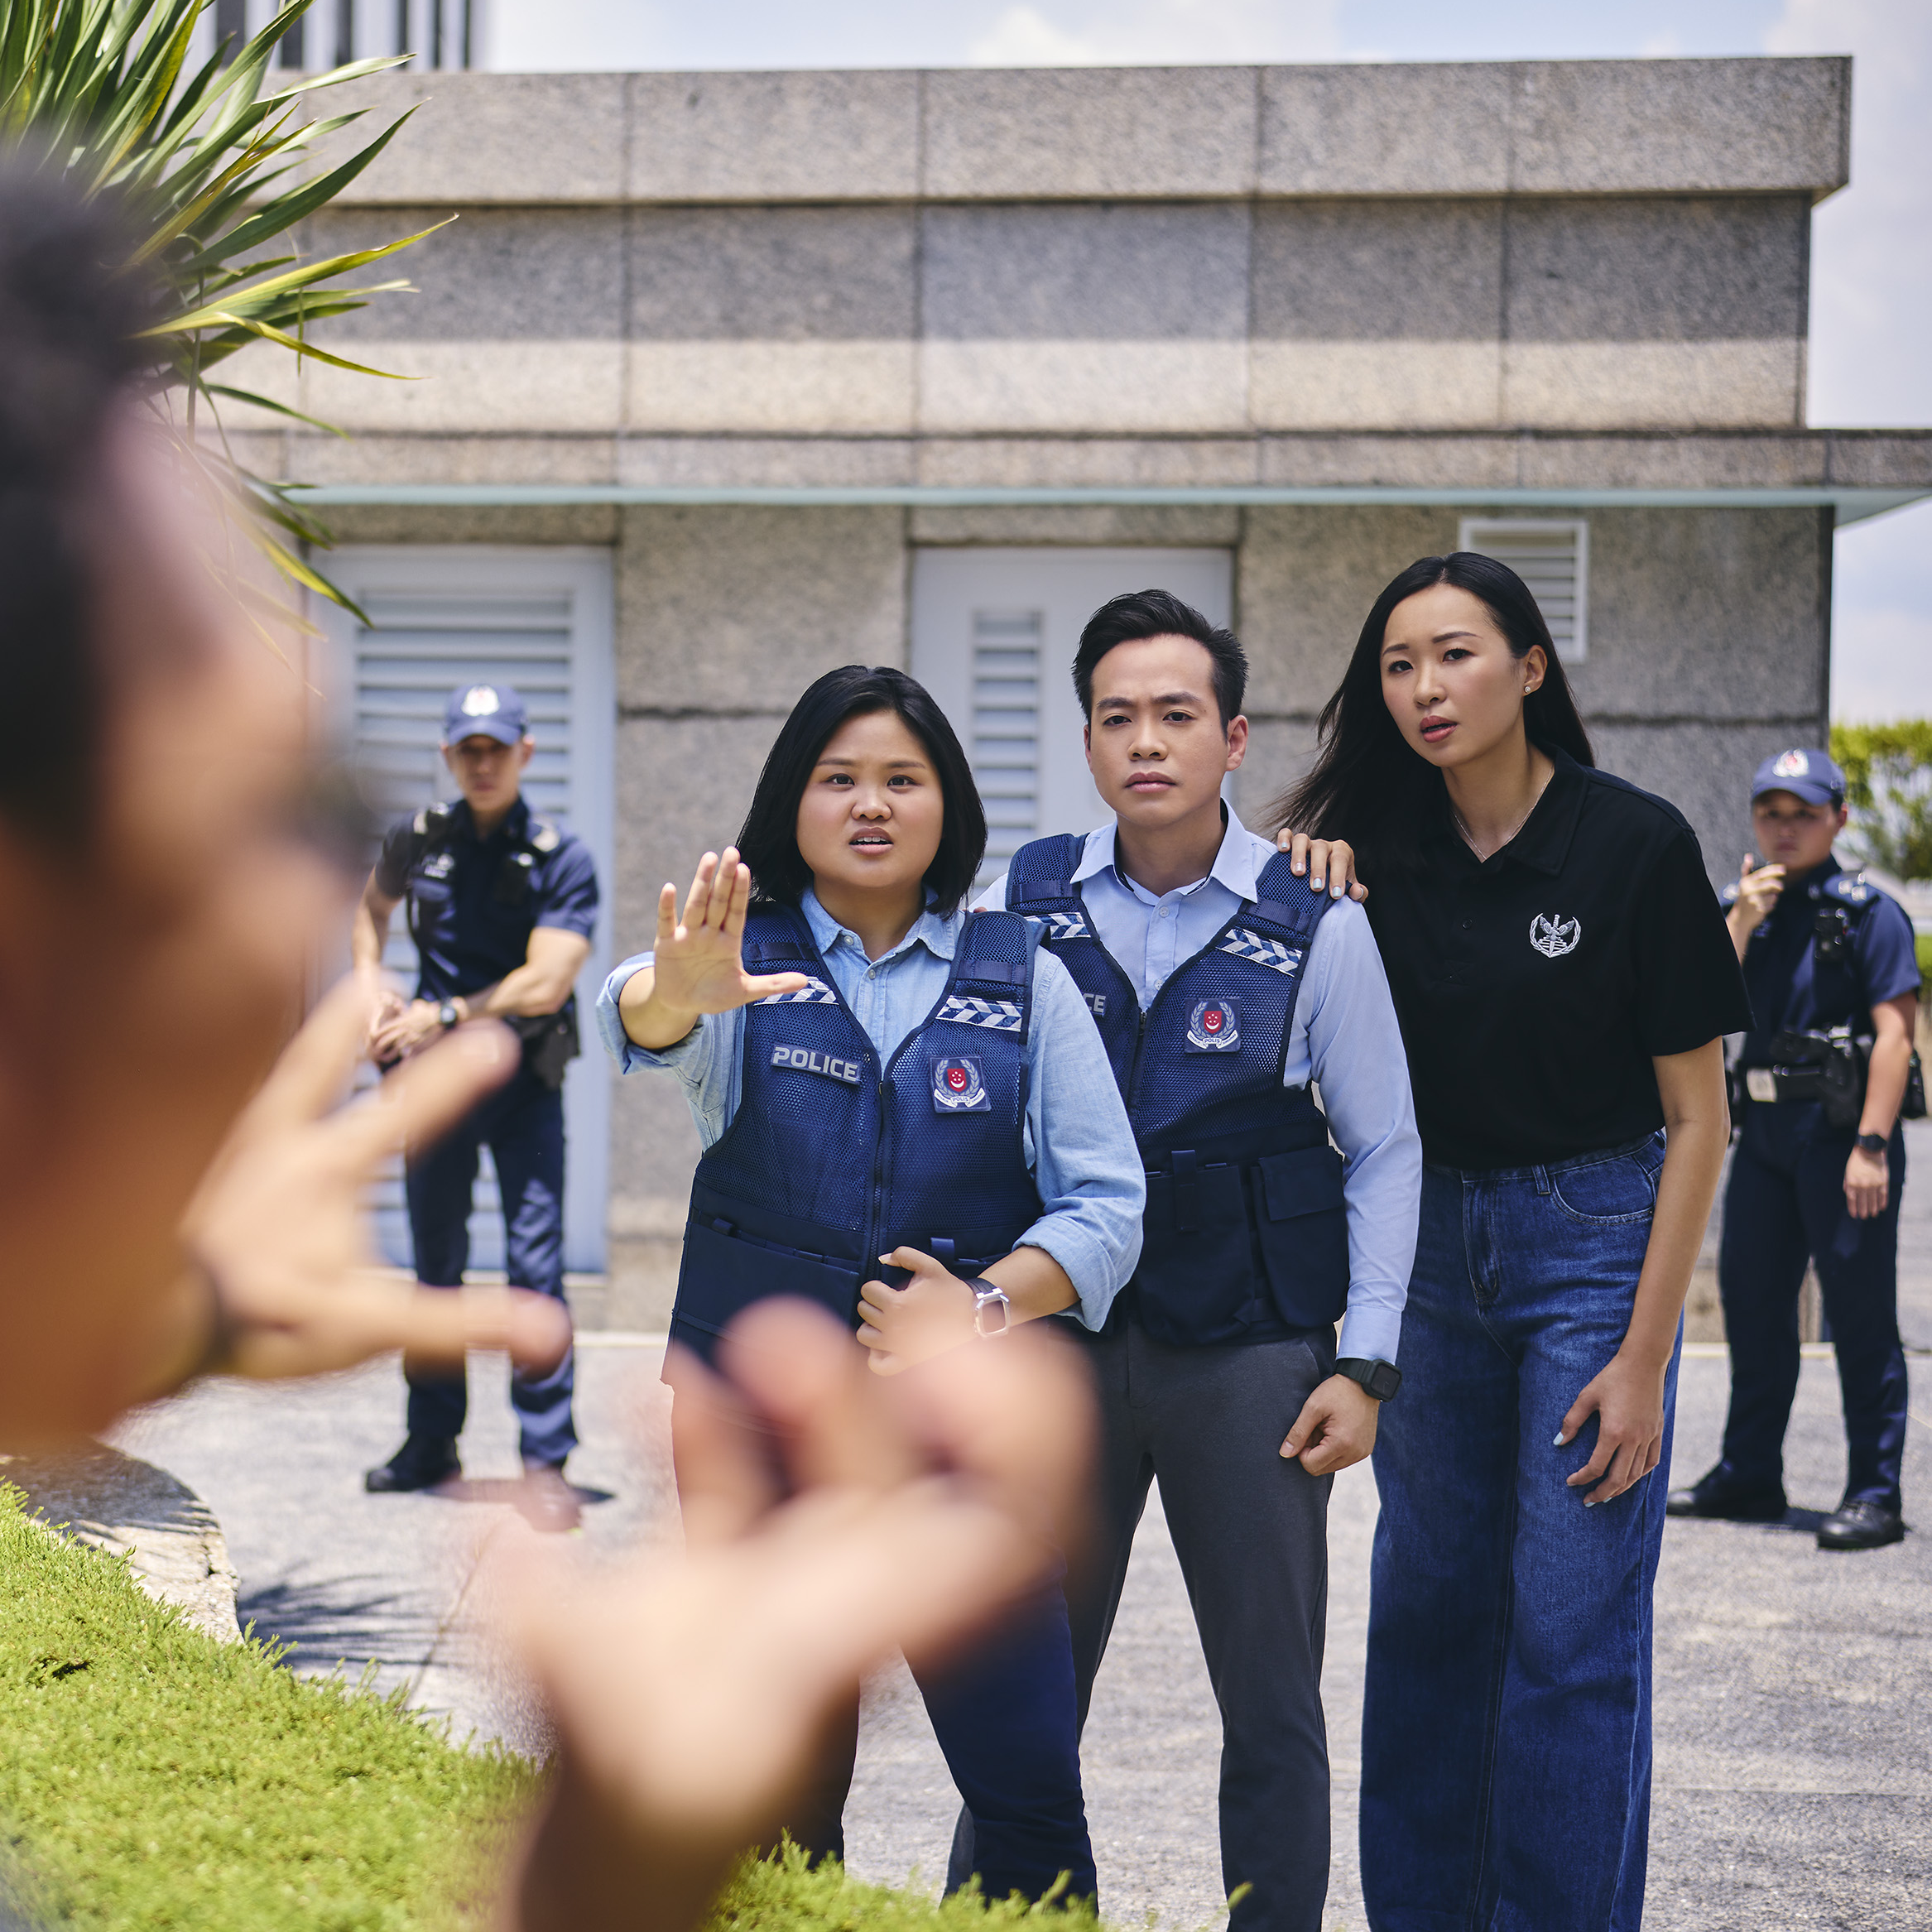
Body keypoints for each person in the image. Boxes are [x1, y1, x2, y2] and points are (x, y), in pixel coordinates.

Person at [0, 166, 1098, 1932]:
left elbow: (597, 986)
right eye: (267, 824)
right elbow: (654, 1015)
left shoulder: (1006, 964)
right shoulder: (699, 935)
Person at [596, 664, 1144, 1907]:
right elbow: (636, 1013)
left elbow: (1110, 1207)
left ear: (946, 804)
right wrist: (673, 992)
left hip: (964, 1447)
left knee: (1025, 1793)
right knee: (782, 1795)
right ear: (791, 801)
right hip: (757, 1433)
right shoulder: (739, 965)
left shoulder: (1023, 978)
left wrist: (984, 1305)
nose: (870, 804)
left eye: (902, 778)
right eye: (837, 778)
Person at [1271, 551, 1749, 1932]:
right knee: (1425, 1612)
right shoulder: (1362, 856)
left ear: (1529, 668)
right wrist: (1311, 884)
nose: (1422, 687)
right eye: (1396, 665)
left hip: (1590, 1244)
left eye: (1454, 654)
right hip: (1419, 1253)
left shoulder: (1631, 842)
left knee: (1565, 1628)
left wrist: (1642, 1358)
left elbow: (1696, 1122)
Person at [977, 590, 1421, 1932]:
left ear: (1230, 739)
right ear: (1085, 738)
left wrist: (1364, 1360)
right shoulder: (1025, 898)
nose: (1144, 740)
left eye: (1175, 714)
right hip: (1054, 1355)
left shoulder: (1316, 918)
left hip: (1247, 1355)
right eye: (1116, 715)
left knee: (1271, 1703)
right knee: (1017, 1694)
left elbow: (1385, 1146)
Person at [352, 685, 598, 1519]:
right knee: (436, 1271)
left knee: (535, 1270)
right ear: (450, 757)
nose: (483, 762)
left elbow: (548, 977)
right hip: (436, 1083)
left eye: (498, 747)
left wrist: (448, 1011)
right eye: (469, 749)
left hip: (523, 1083)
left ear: (526, 752)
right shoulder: (418, 840)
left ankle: (545, 1464)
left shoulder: (560, 856)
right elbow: (369, 911)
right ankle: (430, 1444)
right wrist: (370, 986)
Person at [1667, 750, 1918, 1550]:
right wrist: (1739, 918)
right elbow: (1696, 1004)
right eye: (1772, 812)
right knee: (1752, 1304)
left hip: (1844, 1141)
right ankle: (1750, 1474)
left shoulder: (1871, 913)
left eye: (1804, 813)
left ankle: (1875, 1492)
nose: (1786, 827)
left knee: (1860, 1316)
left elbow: (1895, 1037)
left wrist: (1873, 1144)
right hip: (1766, 1140)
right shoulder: (1742, 908)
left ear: (1839, 818)